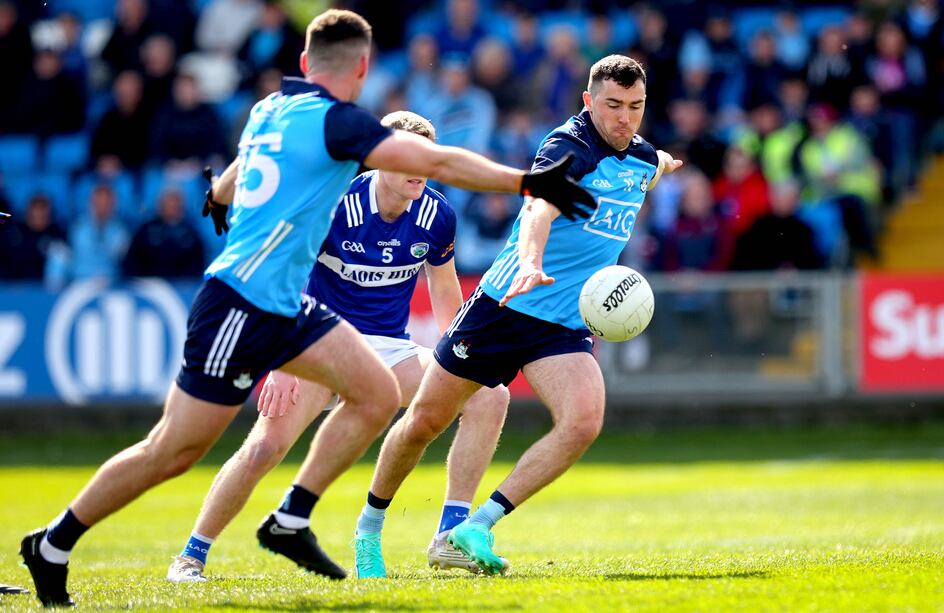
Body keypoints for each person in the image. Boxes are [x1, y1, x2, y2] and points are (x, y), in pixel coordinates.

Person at [19, 9, 594, 607]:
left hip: (291, 313)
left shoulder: (270, 108)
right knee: (177, 449)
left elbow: (239, 172)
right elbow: (444, 162)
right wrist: (530, 182)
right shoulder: (341, 125)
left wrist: (217, 194)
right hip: (242, 307)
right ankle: (62, 542)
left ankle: (293, 517)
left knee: (375, 394)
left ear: (303, 64)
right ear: (364, 68)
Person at [349, 55, 682, 577]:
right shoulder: (568, 148)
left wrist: (663, 163)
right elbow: (539, 209)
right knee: (423, 423)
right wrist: (530, 262)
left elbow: (649, 165)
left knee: (582, 422)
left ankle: (472, 528)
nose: (624, 118)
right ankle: (368, 531)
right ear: (588, 102)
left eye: (635, 107)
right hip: (505, 307)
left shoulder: (641, 157)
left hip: (565, 324)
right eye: (612, 106)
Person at [165, 112, 510, 583]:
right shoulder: (336, 201)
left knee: (490, 394)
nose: (419, 170)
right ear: (378, 157)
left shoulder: (435, 213)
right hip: (316, 344)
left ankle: (449, 537)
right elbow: (285, 274)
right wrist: (284, 363)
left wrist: (462, 358)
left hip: (388, 349)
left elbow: (446, 295)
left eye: (427, 161)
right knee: (265, 447)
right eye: (407, 157)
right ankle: (190, 556)